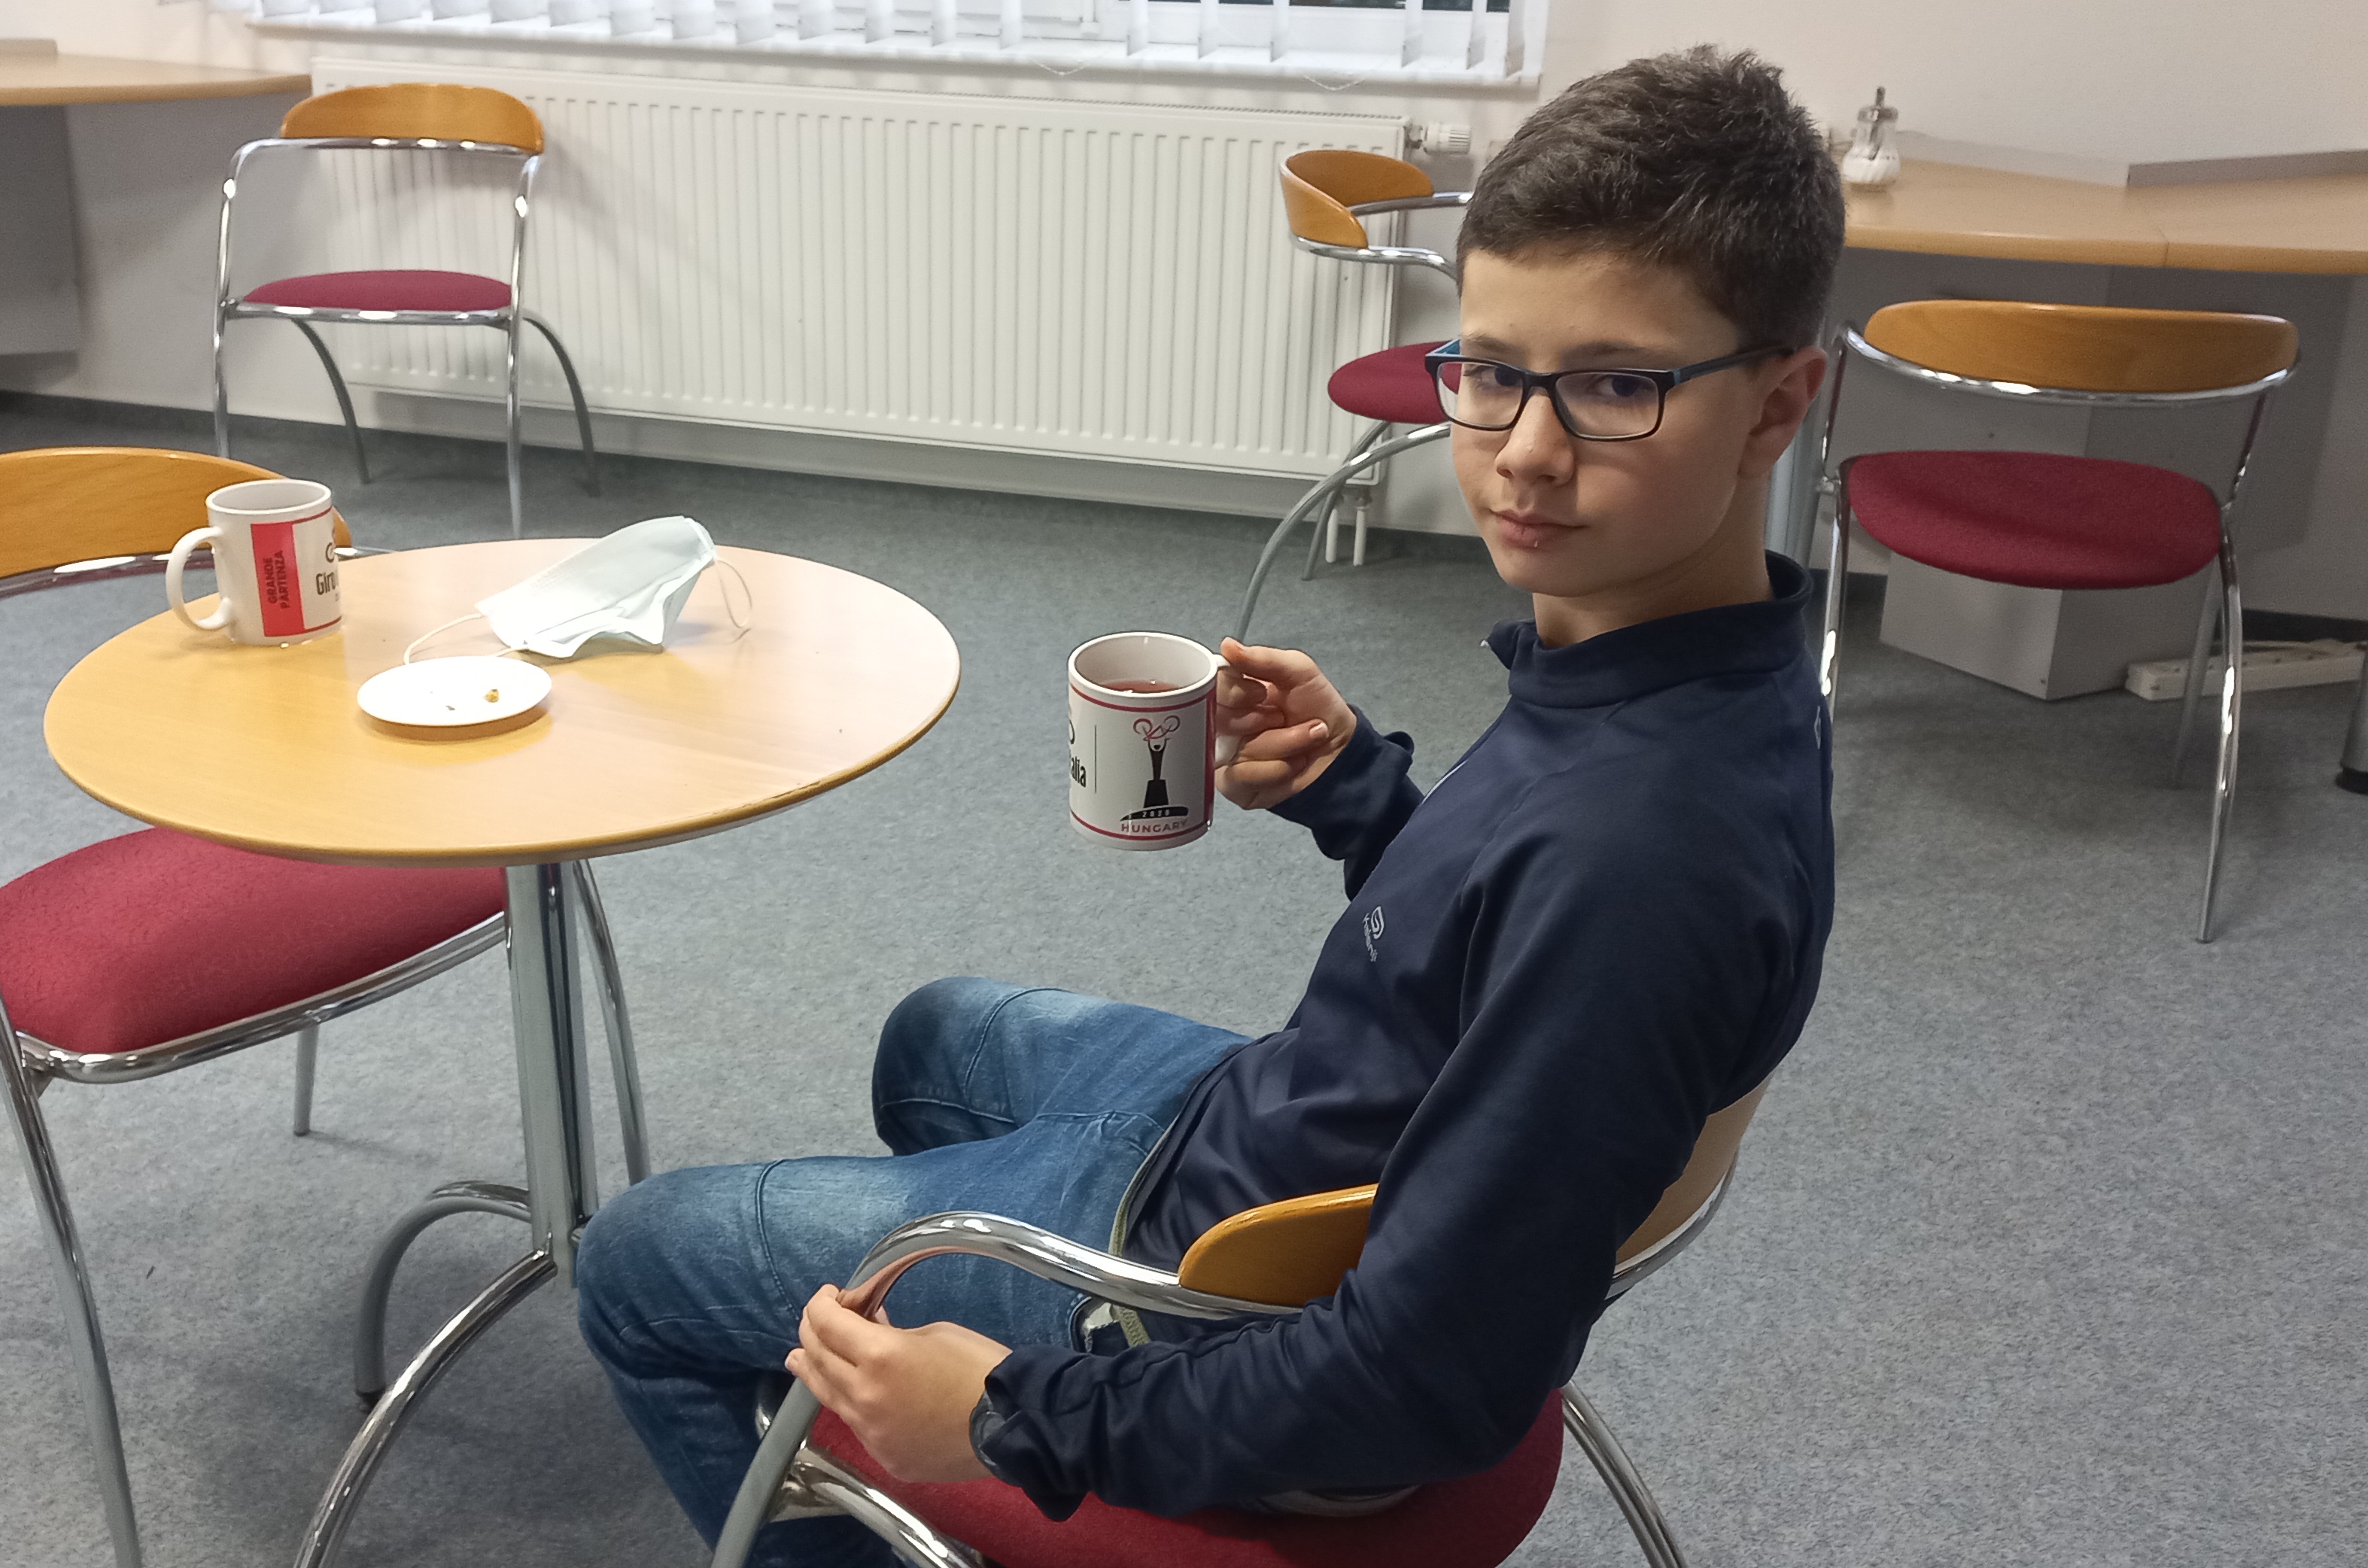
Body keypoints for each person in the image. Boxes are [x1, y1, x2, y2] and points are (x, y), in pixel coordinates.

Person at [575, 44, 1844, 1563]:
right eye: (1493, 370)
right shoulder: (1687, 671)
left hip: (1219, 1294)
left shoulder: (1640, 860)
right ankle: (965, 1247)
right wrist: (1358, 792)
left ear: (1776, 406)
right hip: (1282, 1126)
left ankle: (985, 1324)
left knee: (632, 1262)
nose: (1522, 453)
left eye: (1617, 386)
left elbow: (1425, 1381)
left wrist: (1013, 1412)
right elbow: (1504, 936)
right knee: (934, 1035)